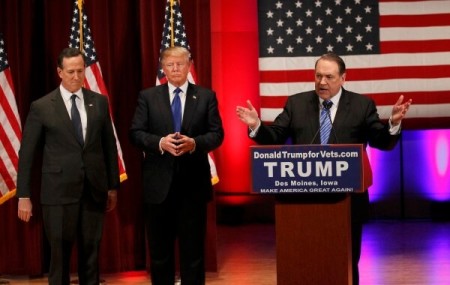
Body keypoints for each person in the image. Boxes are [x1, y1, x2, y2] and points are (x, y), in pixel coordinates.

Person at [236, 53, 412, 285]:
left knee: (347, 261)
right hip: (300, 201)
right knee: (303, 260)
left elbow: (382, 141)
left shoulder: (362, 105)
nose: (322, 82)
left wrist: (393, 123)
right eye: (318, 76)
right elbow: (275, 136)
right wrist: (256, 125)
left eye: (329, 77)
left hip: (347, 201)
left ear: (343, 78)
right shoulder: (296, 103)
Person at [16, 47, 120, 285]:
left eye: (80, 71)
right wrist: (23, 194)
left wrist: (112, 186)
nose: (76, 76)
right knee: (59, 258)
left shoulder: (99, 102)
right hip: (58, 194)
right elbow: (27, 154)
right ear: (59, 72)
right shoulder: (42, 107)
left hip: (93, 191)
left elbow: (109, 146)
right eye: (71, 71)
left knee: (91, 255)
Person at [129, 46, 224, 285]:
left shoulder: (205, 96)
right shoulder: (148, 97)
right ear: (162, 67)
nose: (175, 68)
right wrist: (159, 142)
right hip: (158, 187)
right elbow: (136, 133)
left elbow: (217, 134)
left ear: (189, 65)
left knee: (193, 254)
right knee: (160, 254)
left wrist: (194, 144)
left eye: (180, 63)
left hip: (193, 187)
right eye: (170, 64)